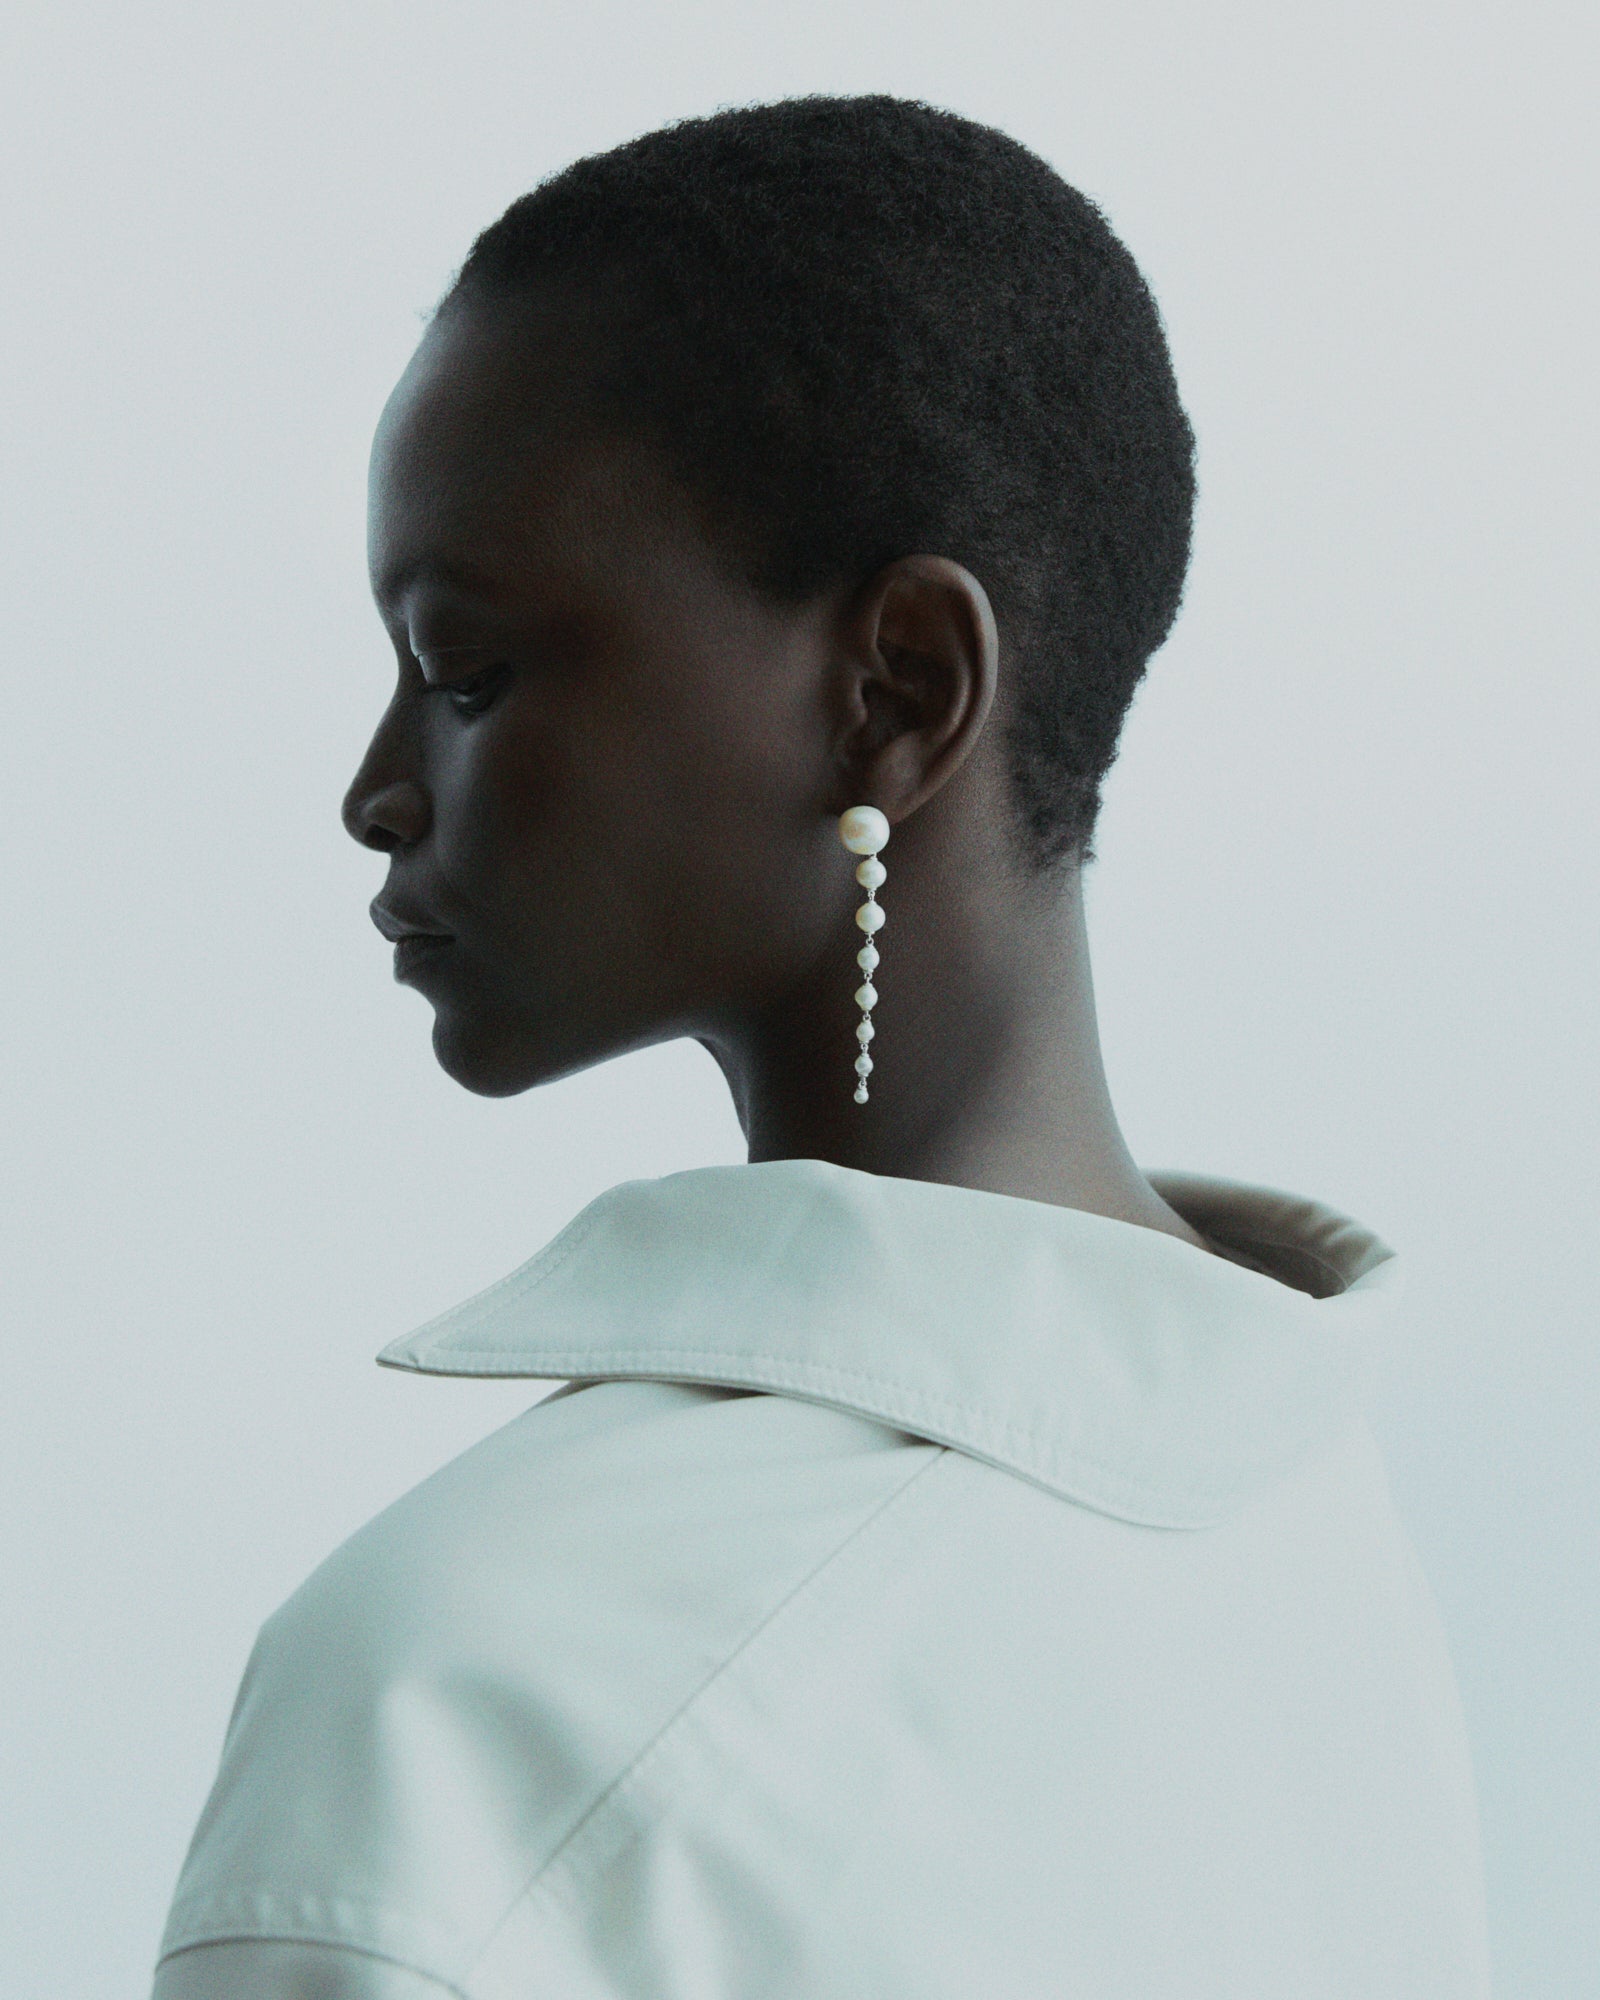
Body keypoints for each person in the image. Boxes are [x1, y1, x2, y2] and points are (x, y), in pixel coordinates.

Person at [151, 95, 1491, 1997]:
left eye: (466, 670)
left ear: (896, 691)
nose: (376, 791)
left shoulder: (471, 1690)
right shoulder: (1309, 1528)